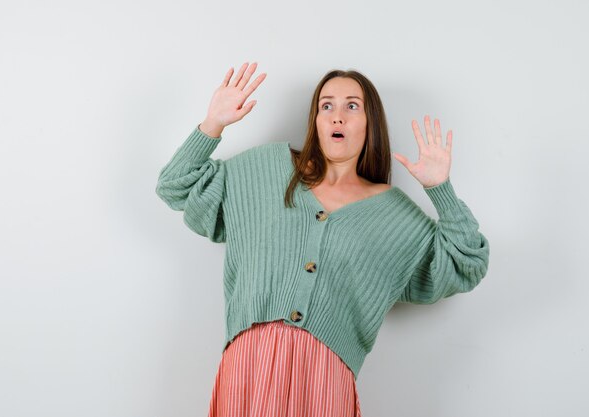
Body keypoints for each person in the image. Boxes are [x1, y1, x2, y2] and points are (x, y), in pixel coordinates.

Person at [156, 62, 490, 417]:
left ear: (369, 123)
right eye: (326, 105)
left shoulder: (395, 215)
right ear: (315, 120)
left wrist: (440, 190)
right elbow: (175, 184)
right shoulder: (262, 169)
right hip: (248, 366)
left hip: (325, 378)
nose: (337, 117)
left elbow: (466, 263)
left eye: (352, 106)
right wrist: (213, 123)